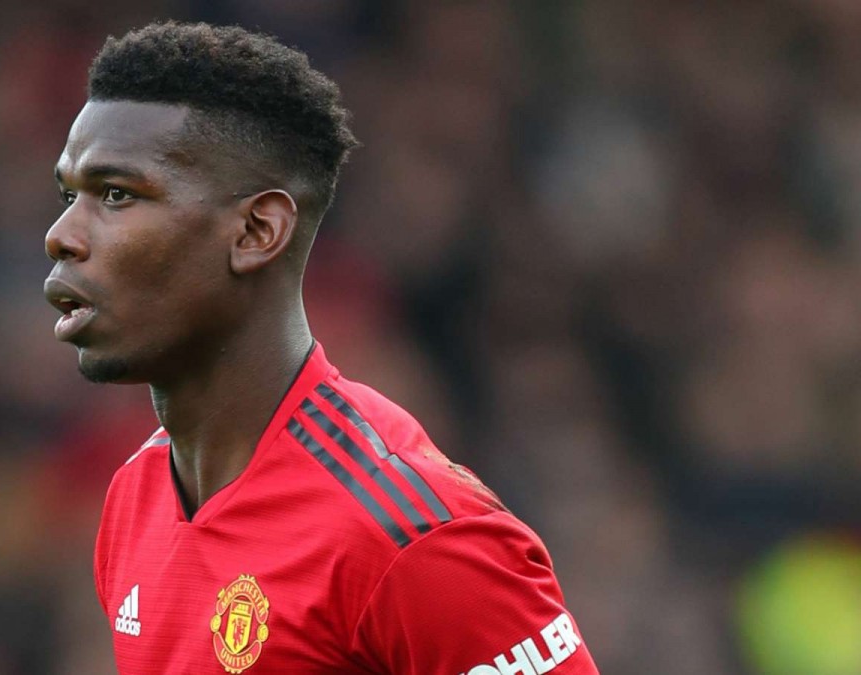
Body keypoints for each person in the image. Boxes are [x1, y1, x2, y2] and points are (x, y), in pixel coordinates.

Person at [44, 21, 600, 675]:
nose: (61, 234)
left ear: (257, 231)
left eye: (116, 194)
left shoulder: (410, 537)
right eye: (69, 195)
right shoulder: (134, 497)